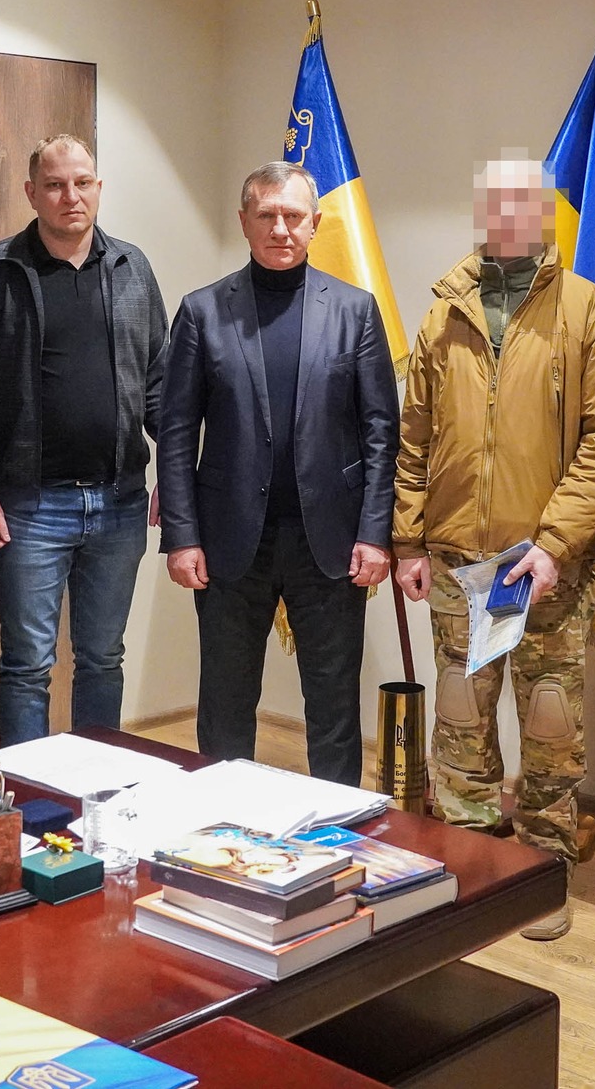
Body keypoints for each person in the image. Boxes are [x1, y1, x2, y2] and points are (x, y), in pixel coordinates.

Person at [392, 154, 595, 940]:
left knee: (551, 727)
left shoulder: (587, 310)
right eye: (494, 202)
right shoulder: (445, 312)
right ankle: (470, 868)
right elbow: (414, 438)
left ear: (544, 212)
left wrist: (556, 544)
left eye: (522, 202)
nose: (507, 216)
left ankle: (540, 873)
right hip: (460, 562)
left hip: (543, 568)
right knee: (461, 720)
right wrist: (408, 538)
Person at [157, 161, 398, 785]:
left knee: (334, 707)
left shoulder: (355, 310)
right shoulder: (202, 311)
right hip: (231, 541)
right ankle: (221, 821)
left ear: (315, 223)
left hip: (331, 542)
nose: (280, 228)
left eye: (293, 215)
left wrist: (375, 533)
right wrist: (181, 536)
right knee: (226, 703)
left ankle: (338, 826)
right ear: (244, 222)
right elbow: (177, 431)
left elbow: (380, 430)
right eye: (266, 215)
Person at [0, 135, 167, 746]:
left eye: (82, 183)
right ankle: (31, 793)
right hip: (30, 505)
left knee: (102, 659)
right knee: (27, 666)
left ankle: (98, 787)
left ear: (98, 188)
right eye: (54, 185)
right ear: (32, 193)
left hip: (120, 501)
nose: (70, 196)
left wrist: (176, 476)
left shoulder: (131, 268)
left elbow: (160, 381)